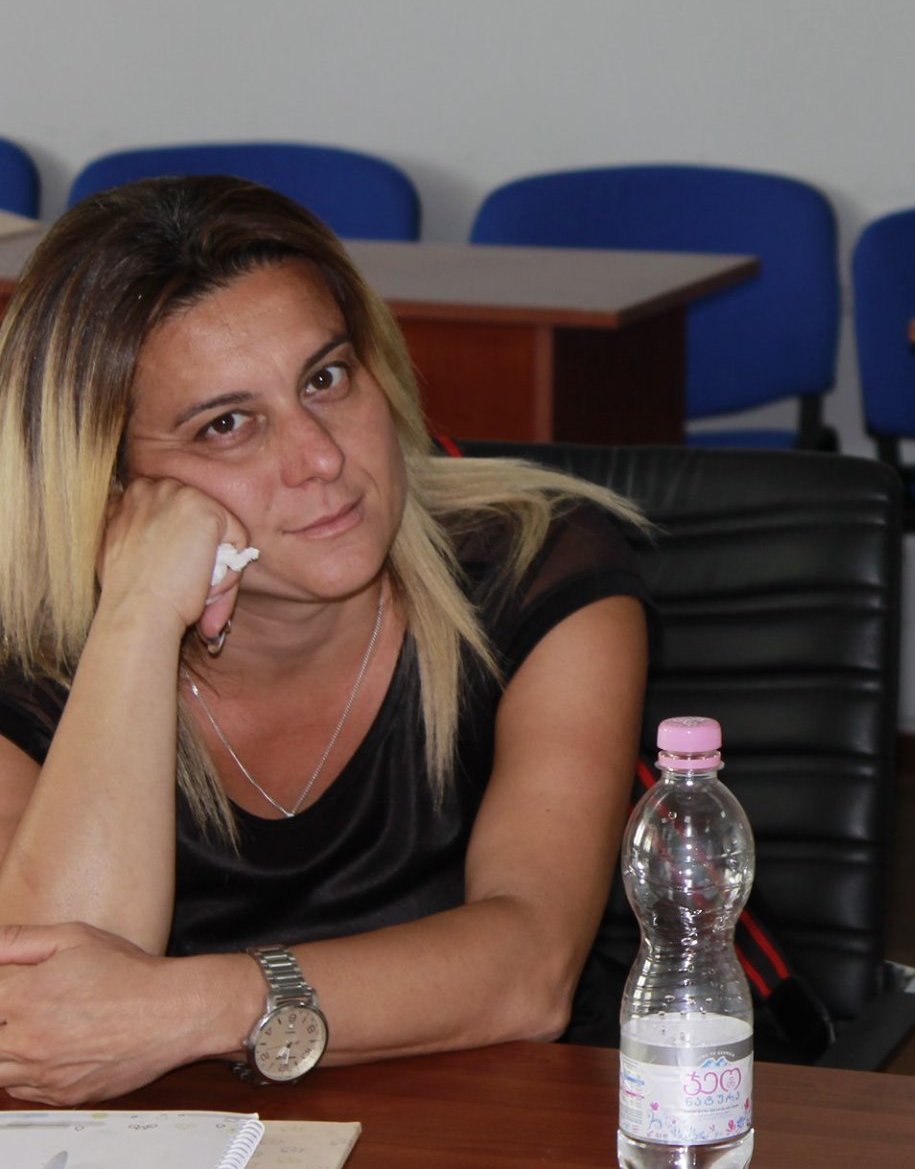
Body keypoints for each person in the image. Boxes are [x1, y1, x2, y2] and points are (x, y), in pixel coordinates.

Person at [0, 177, 650, 1104]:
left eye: (325, 378)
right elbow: (40, 1020)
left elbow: (530, 967)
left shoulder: (535, 567)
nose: (321, 457)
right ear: (109, 484)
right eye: (227, 425)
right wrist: (136, 617)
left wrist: (202, 1006)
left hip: (491, 1126)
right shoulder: (23, 662)